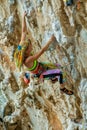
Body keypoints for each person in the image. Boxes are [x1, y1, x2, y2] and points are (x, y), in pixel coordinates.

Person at [14, 11, 73, 95]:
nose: (32, 46)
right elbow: (41, 51)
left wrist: (23, 17)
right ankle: (62, 88)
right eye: (30, 46)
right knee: (61, 73)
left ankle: (53, 78)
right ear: (26, 51)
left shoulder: (21, 47)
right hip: (41, 73)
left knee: (58, 66)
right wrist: (50, 40)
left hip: (40, 66)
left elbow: (23, 32)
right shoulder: (28, 60)